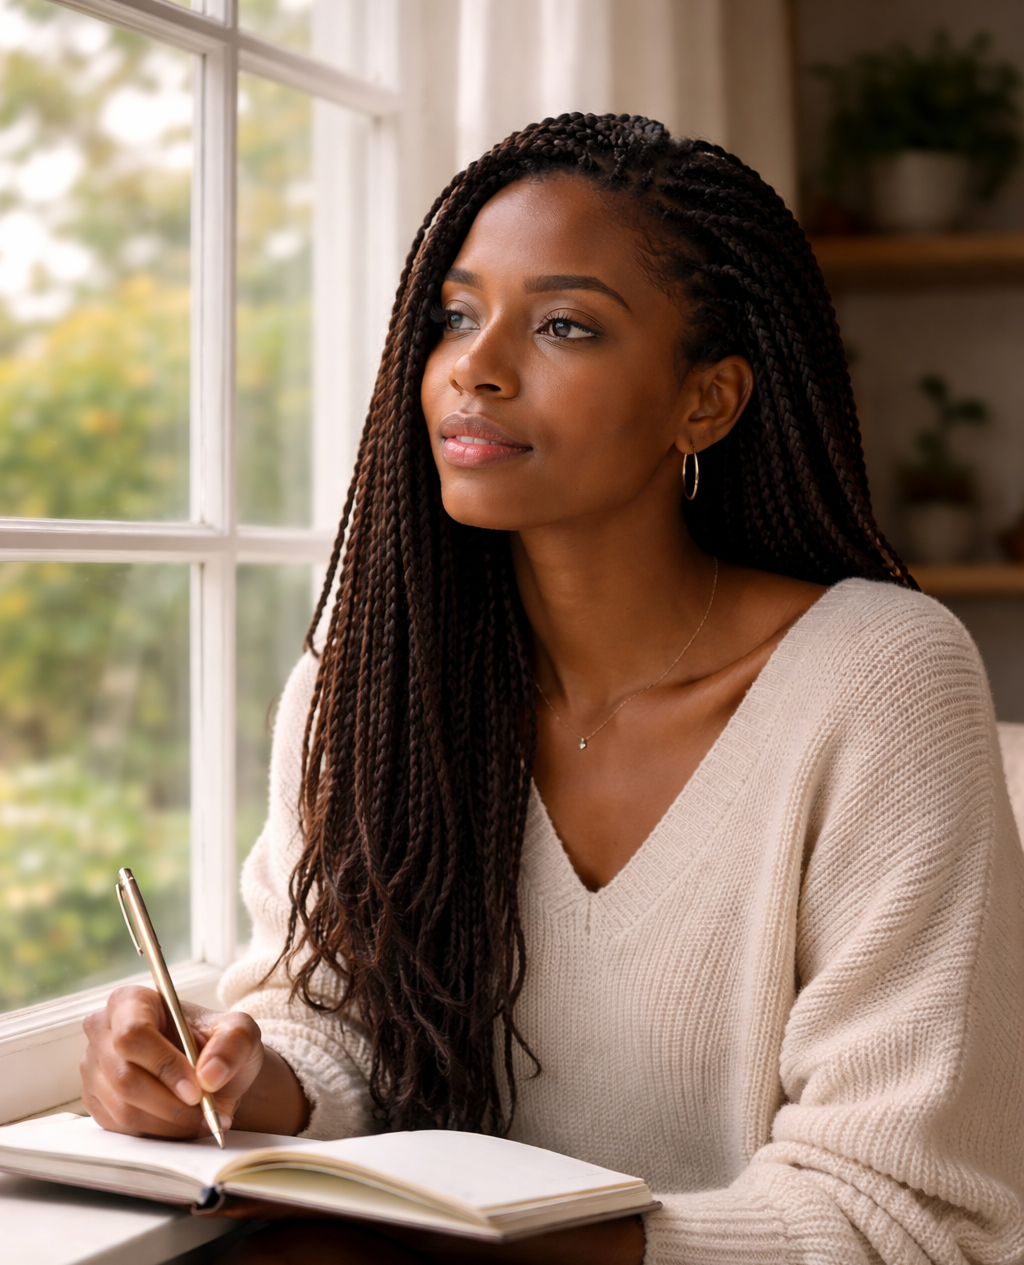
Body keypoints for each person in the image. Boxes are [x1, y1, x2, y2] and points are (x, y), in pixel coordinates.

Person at [80, 115, 1024, 1264]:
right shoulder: (368, 686)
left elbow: (905, 1216)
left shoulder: (879, 680)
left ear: (708, 402)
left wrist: (489, 1247)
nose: (475, 366)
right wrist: (234, 1079)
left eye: (565, 325)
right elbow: (333, 1031)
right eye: (455, 316)